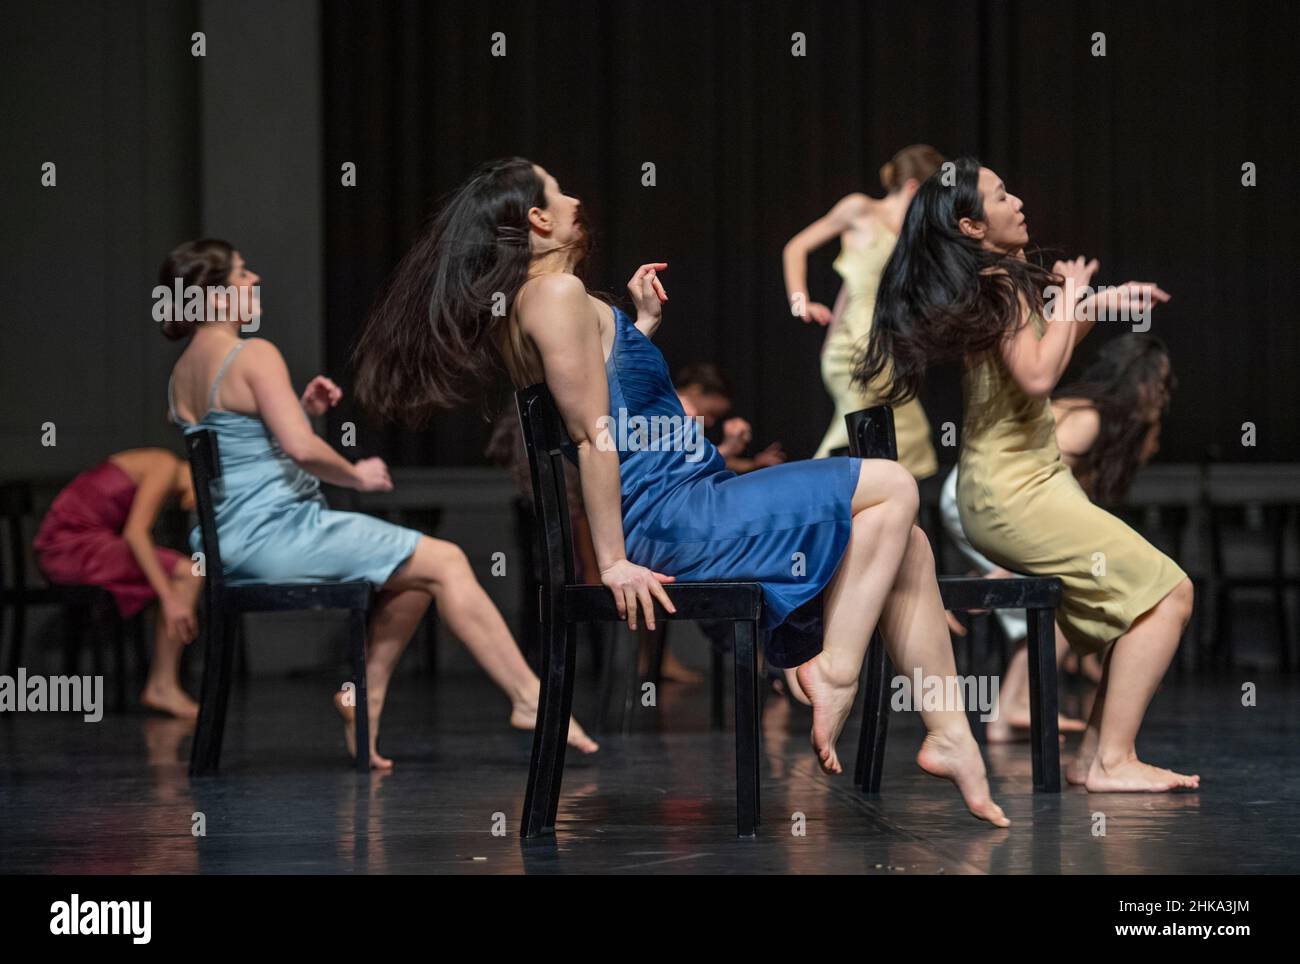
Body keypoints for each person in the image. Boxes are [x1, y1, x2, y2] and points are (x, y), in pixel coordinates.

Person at [353, 157, 1009, 826]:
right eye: (561, 189)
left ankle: (950, 733)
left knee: (909, 543)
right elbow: (594, 437)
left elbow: (616, 402)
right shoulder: (552, 297)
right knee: (894, 484)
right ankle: (834, 673)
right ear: (538, 219)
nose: (578, 196)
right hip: (677, 519)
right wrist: (611, 561)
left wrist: (636, 329)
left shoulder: (558, 301)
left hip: (694, 500)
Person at [160, 238, 596, 768]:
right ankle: (530, 697)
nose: (254, 280)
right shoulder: (254, 354)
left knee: (415, 573)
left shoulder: (182, 372)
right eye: (242, 274)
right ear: (214, 295)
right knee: (448, 560)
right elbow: (301, 449)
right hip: (276, 534)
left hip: (227, 544)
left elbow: (240, 448)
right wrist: (357, 474)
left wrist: (297, 407)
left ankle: (362, 698)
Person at [859, 157, 1197, 792]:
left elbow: (1047, 351)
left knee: (1147, 600)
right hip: (1015, 491)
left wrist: (1097, 303)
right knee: (1169, 593)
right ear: (973, 225)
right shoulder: (1001, 284)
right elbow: (1040, 375)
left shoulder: (996, 281)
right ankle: (1113, 760)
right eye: (1001, 195)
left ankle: (1099, 757)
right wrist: (1072, 297)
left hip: (1014, 486)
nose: (1017, 201)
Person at [939, 334, 1177, 742]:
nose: (1164, 396)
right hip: (991, 494)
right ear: (1138, 382)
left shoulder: (1102, 420)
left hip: (992, 493)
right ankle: (1016, 706)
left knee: (1063, 588)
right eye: (1159, 384)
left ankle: (1011, 711)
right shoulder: (1090, 417)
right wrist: (1006, 563)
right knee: (1073, 580)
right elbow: (1047, 484)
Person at [782, 144, 943, 471]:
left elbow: (853, 286)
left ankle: (883, 516)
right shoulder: (860, 209)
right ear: (913, 188)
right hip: (854, 352)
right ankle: (811, 504)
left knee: (909, 441)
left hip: (889, 355)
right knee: (862, 443)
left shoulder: (916, 236)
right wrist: (801, 302)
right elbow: (796, 247)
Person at [34, 449, 201, 718]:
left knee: (176, 573)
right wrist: (169, 598)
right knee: (188, 572)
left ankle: (162, 683)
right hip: (73, 547)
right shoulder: (166, 466)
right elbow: (136, 533)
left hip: (72, 546)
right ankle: (163, 686)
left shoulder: (156, 465)